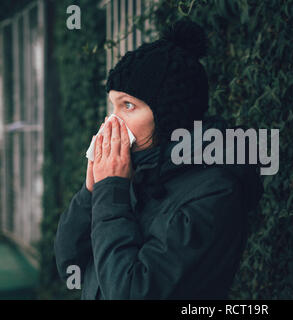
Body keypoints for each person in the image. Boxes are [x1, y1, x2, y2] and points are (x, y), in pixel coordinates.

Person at [54, 18, 263, 300]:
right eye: (113, 105)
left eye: (128, 105)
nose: (112, 121)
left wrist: (111, 192)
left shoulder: (213, 193)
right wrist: (90, 194)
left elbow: (131, 293)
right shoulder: (133, 170)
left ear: (168, 116)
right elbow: (70, 265)